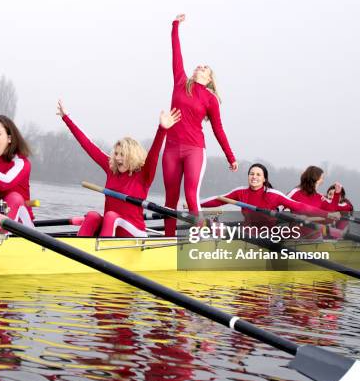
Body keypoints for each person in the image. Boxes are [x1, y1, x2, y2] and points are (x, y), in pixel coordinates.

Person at [57, 99, 181, 237]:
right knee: (92, 216)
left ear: (132, 157)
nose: (117, 158)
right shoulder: (111, 168)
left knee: (110, 216)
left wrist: (162, 129)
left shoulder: (144, 174)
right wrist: (66, 118)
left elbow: (154, 154)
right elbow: (87, 145)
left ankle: (102, 253)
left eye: (122, 155)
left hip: (135, 232)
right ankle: (76, 253)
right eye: (116, 154)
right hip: (114, 229)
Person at [163, 13, 238, 237]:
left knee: (190, 195)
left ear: (210, 77)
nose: (200, 67)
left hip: (194, 149)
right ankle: (167, 241)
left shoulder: (210, 99)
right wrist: (175, 26)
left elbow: (218, 129)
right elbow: (176, 52)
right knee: (170, 199)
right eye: (199, 66)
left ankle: (201, 236)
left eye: (205, 68)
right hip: (171, 149)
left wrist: (230, 156)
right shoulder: (180, 82)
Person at [201, 163, 338, 228]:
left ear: (264, 179)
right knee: (215, 225)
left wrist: (327, 215)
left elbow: (300, 206)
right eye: (251, 174)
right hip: (247, 229)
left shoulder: (274, 195)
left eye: (258, 174)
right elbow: (218, 200)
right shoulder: (240, 192)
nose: (254, 177)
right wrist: (195, 204)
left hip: (269, 233)